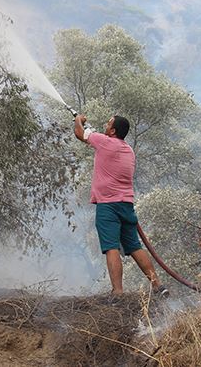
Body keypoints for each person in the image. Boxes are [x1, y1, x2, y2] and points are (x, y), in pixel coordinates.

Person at [74, 113, 168, 297]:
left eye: (108, 123)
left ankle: (117, 292)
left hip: (108, 205)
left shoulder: (104, 142)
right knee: (134, 246)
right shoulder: (128, 150)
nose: (105, 125)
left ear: (113, 130)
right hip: (126, 204)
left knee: (111, 247)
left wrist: (79, 119)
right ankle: (158, 285)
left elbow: (79, 133)